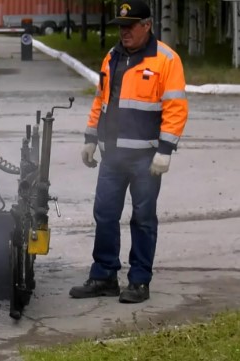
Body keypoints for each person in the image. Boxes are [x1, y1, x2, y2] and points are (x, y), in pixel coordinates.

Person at [70, 0, 189, 304]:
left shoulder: (166, 60)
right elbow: (101, 100)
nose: (124, 32)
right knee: (105, 215)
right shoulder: (112, 57)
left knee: (143, 218)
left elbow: (175, 108)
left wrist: (166, 150)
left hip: (146, 159)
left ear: (147, 26)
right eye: (121, 26)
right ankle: (104, 275)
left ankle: (139, 282)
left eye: (130, 26)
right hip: (112, 157)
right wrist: (90, 137)